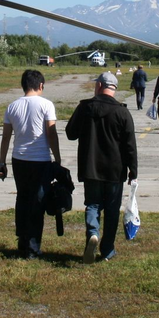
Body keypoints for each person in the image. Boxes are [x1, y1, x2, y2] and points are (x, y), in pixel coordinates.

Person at [66, 72, 137, 263]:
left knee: (93, 204)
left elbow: (70, 134)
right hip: (115, 170)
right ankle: (107, 250)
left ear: (98, 86)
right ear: (115, 88)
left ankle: (92, 234)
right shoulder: (123, 112)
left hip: (91, 168)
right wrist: (133, 170)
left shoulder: (85, 107)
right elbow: (130, 144)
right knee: (112, 210)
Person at [0, 69, 61, 259]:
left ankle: (22, 240)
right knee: (37, 203)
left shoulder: (12, 106)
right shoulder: (46, 105)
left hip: (19, 160)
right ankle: (33, 248)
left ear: (23, 85)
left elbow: (6, 137)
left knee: (22, 199)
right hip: (40, 160)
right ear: (40, 85)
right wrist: (57, 159)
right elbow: (51, 133)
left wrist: (2, 162)